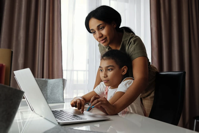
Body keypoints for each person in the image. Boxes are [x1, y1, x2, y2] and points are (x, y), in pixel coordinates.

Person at [74, 5, 158, 116]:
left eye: (101, 28)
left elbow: (141, 79)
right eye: (93, 32)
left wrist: (115, 108)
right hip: (123, 88)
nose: (98, 35)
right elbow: (102, 70)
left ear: (114, 24)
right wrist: (95, 96)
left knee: (147, 125)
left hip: (145, 90)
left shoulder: (132, 42)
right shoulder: (103, 45)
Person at [71, 50, 144, 116]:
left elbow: (110, 107)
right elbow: (84, 97)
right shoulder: (104, 86)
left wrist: (96, 103)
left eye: (109, 69)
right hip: (118, 124)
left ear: (123, 70)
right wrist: (78, 99)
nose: (104, 75)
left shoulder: (128, 83)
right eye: (101, 70)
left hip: (133, 125)